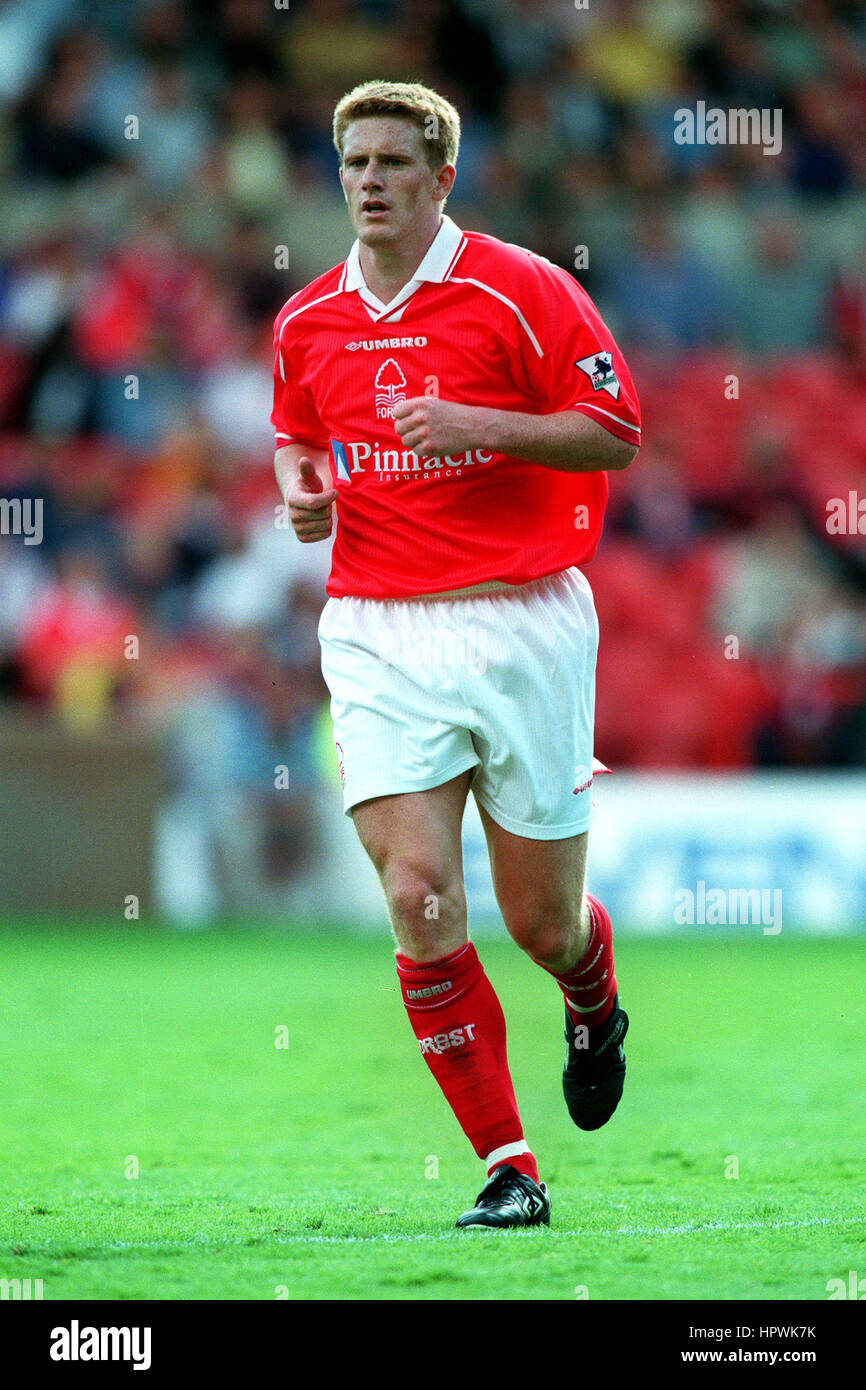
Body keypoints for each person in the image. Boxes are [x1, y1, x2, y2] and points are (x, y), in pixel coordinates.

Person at [272, 81, 640, 1229]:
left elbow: (616, 430)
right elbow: (295, 430)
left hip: (523, 617)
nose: (369, 181)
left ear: (440, 178)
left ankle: (589, 992)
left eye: (391, 162)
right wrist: (301, 489)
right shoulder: (305, 320)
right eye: (352, 163)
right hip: (377, 626)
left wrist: (481, 425)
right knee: (421, 894)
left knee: (541, 923)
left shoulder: (523, 289)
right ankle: (507, 1167)